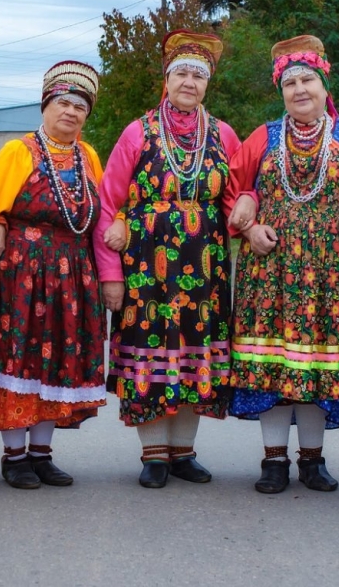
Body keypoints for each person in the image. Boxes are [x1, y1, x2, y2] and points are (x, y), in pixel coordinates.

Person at [226, 35, 339, 494]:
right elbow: (232, 188)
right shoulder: (263, 137)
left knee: (315, 368)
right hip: (269, 274)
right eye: (289, 83)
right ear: (281, 91)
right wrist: (249, 227)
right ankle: (273, 461)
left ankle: (312, 461)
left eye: (306, 79)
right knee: (272, 366)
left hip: (329, 278)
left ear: (323, 83)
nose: (298, 90)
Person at [94, 30, 241, 489]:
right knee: (151, 356)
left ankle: (183, 453)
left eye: (199, 76)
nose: (190, 83)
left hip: (205, 271)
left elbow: (238, 196)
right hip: (145, 270)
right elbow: (107, 204)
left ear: (208, 85)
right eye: (182, 73)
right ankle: (154, 454)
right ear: (167, 77)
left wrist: (250, 205)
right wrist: (111, 275)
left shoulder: (224, 134)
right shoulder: (138, 132)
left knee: (195, 357)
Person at [0, 61, 106, 489]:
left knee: (57, 361)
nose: (71, 111)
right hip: (23, 274)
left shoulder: (88, 156)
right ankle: (15, 457)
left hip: (73, 275)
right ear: (46, 105)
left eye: (80, 106)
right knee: (20, 355)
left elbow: (99, 219)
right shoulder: (18, 151)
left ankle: (42, 454)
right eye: (63, 102)